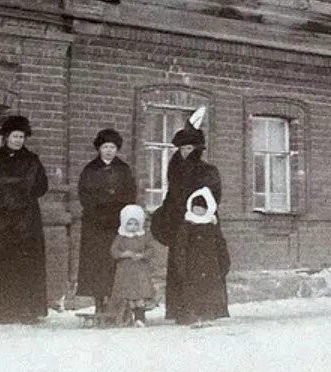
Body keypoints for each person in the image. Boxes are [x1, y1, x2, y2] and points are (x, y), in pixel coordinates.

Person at [0, 114, 49, 323]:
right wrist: (4, 196)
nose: (18, 140)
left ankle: (26, 310)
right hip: (0, 221)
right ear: (6, 137)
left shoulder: (32, 160)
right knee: (2, 263)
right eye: (14, 136)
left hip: (26, 221)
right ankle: (0, 310)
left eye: (21, 137)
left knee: (25, 264)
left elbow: (41, 186)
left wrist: (20, 193)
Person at [149, 117, 222, 322]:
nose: (185, 152)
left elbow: (211, 197)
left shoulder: (208, 171)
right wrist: (165, 214)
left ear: (197, 148)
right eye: (182, 148)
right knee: (180, 267)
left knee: (200, 267)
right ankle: (180, 310)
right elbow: (172, 197)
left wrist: (197, 213)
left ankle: (202, 310)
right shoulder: (176, 171)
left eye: (189, 147)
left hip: (201, 228)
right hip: (179, 226)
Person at [76, 128, 137, 314]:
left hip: (117, 225)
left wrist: (121, 215)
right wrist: (99, 210)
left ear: (117, 149)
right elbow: (84, 195)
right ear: (99, 149)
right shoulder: (90, 170)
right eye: (105, 147)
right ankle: (99, 304)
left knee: (116, 262)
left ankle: (117, 303)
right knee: (97, 263)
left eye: (112, 147)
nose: (109, 150)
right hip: (95, 224)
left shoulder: (124, 170)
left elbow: (130, 194)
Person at [170, 187, 230, 326]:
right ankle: (193, 316)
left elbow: (221, 246)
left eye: (201, 208)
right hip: (192, 266)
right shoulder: (187, 226)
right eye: (195, 207)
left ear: (208, 208)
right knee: (192, 292)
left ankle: (208, 315)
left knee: (208, 292)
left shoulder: (212, 226)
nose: (198, 210)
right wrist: (181, 265)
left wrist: (223, 264)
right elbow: (180, 248)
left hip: (210, 267)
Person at [108, 204, 157, 327]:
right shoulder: (121, 237)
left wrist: (142, 255)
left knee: (139, 296)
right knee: (129, 296)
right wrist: (123, 254)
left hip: (140, 271)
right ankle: (127, 316)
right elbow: (113, 251)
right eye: (130, 224)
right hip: (125, 271)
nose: (133, 227)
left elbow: (151, 250)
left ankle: (140, 318)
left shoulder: (144, 236)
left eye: (136, 224)